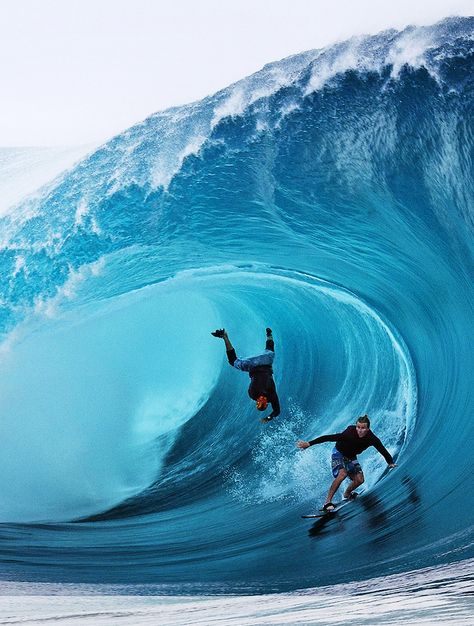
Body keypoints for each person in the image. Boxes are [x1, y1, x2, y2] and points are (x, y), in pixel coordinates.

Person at [296, 415, 396, 511]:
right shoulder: (349, 433)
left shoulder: (372, 438)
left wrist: (390, 462)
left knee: (360, 480)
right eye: (358, 427)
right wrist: (309, 443)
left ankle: (347, 493)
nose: (360, 430)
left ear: (368, 429)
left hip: (351, 457)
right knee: (342, 474)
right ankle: (327, 503)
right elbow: (328, 438)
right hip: (338, 453)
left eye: (363, 428)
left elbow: (382, 449)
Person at [211, 327, 280, 423]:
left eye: (259, 402)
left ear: (257, 402)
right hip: (258, 363)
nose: (261, 399)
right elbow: (277, 411)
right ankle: (269, 334)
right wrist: (268, 418)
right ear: (266, 403)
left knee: (269, 352)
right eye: (263, 402)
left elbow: (276, 410)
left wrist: (268, 417)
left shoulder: (258, 394)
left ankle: (225, 337)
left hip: (260, 362)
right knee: (269, 351)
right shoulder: (266, 395)